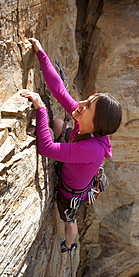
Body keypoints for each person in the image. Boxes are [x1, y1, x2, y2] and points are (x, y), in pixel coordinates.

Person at [21, 38, 122, 253]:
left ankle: (70, 244)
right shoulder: (86, 121)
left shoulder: (92, 147)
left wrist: (40, 108)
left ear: (94, 123)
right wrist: (40, 53)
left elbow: (46, 149)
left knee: (68, 219)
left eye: (88, 106)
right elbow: (58, 89)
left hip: (70, 193)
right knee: (58, 123)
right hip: (73, 160)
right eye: (87, 99)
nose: (81, 104)